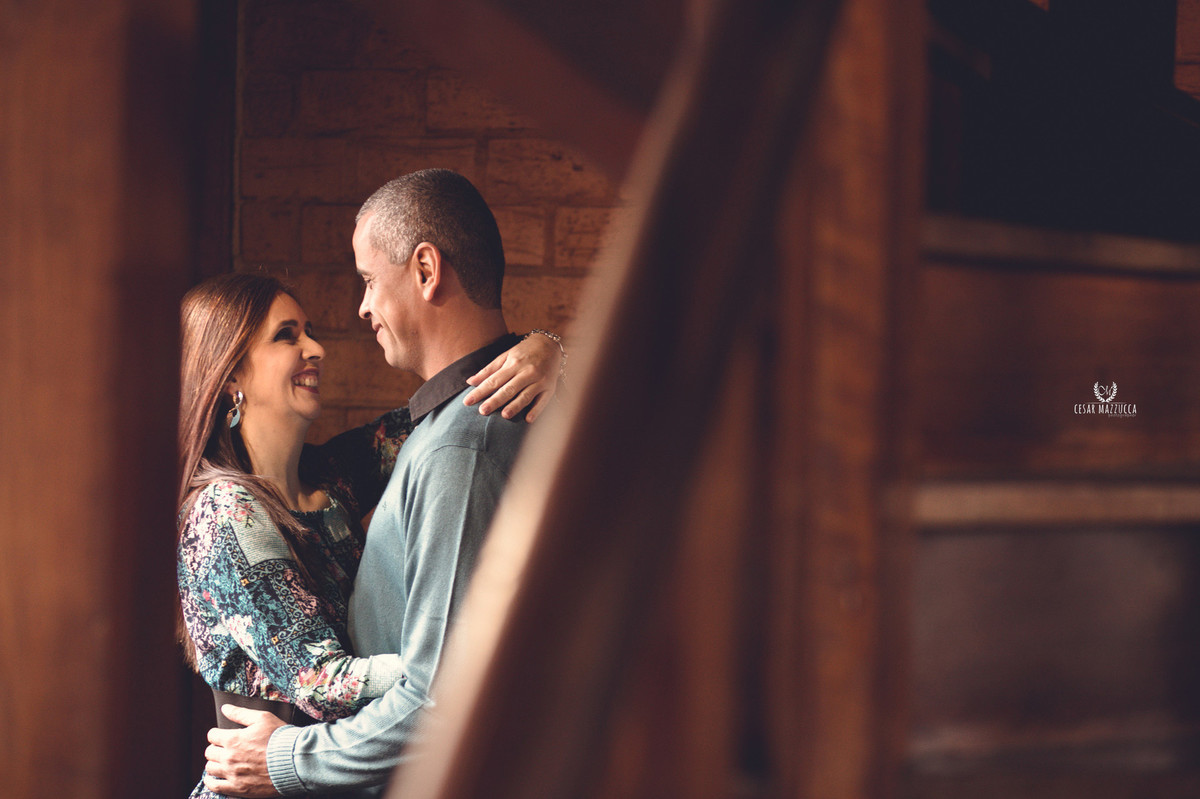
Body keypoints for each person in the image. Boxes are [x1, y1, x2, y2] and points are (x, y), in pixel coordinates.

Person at [202, 169, 551, 798]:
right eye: (288, 337)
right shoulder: (226, 512)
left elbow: (439, 692)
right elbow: (325, 682)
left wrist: (549, 346)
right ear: (232, 379)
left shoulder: (417, 454)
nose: (351, 317)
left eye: (367, 280)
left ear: (425, 270)